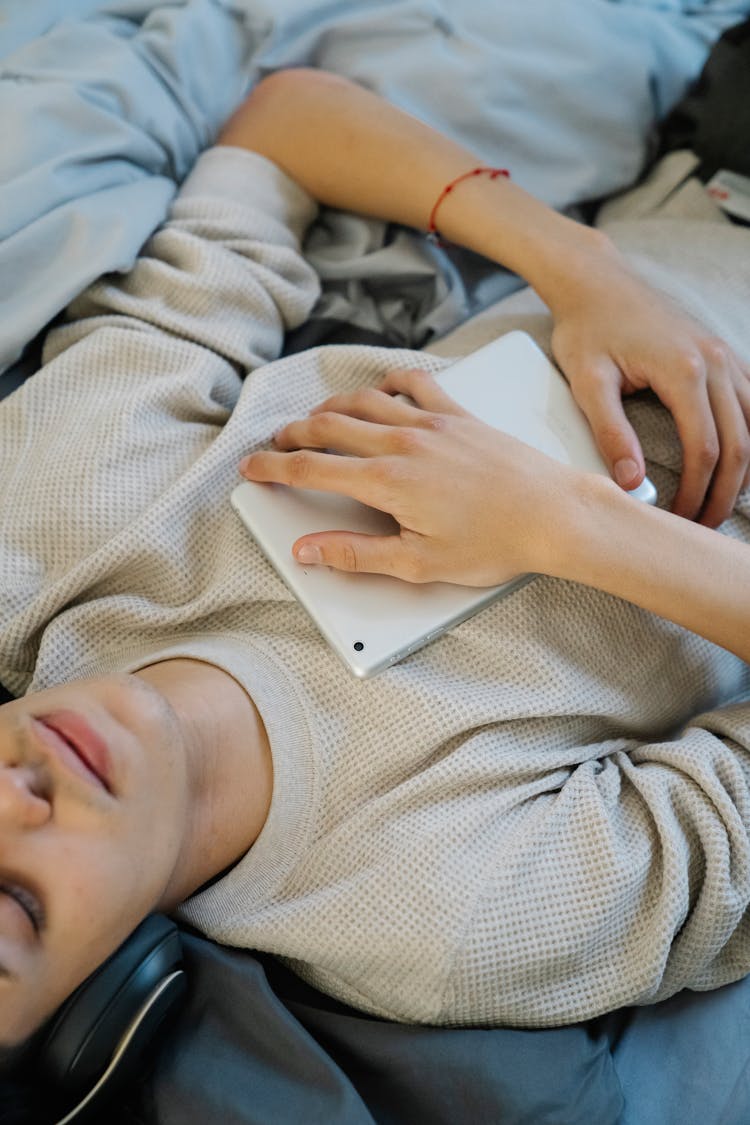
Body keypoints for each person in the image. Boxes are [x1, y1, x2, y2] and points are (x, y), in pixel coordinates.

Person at [2, 66, 750, 1057]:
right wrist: (570, 527)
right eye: (12, 905)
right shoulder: (449, 912)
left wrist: (590, 275)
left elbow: (286, 123)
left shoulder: (54, 525)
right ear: (94, 1008)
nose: (18, 796)